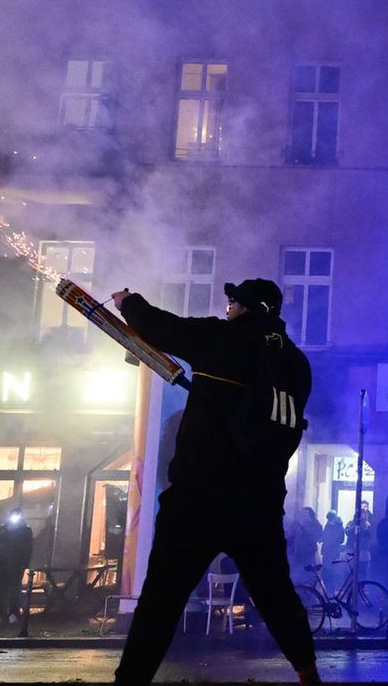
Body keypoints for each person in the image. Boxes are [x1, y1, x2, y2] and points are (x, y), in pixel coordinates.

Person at [111, 278, 318, 685]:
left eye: (233, 301)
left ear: (246, 307)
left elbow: (162, 327)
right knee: (276, 595)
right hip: (258, 500)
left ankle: (130, 681)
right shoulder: (295, 363)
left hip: (199, 494)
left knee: (162, 599)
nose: (227, 306)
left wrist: (128, 301)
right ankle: (309, 674)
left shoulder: (221, 338)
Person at [0, 508, 34, 624]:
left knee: (14, 589)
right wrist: (8, 530)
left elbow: (28, 547)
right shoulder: (3, 528)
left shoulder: (25, 530)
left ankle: (13, 612)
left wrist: (24, 564)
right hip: (1, 563)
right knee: (0, 589)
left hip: (16, 563)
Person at [320, 511, 347, 593]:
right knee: (330, 571)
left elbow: (325, 538)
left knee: (328, 572)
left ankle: (330, 591)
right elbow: (341, 539)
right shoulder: (338, 525)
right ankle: (331, 591)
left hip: (330, 551)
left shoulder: (332, 526)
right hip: (333, 551)